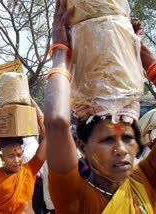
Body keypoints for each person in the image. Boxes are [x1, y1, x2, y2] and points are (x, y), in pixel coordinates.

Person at [44, 1, 156, 213]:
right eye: (107, 140)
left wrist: (133, 46)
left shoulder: (146, 180)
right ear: (82, 146)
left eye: (128, 138)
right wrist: (60, 50)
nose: (121, 150)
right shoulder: (76, 197)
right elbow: (56, 121)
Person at [0, 97, 46, 213]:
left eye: (19, 155)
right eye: (11, 156)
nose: (17, 160)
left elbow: (48, 137)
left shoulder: (30, 170)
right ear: (2, 157)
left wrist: (34, 106)